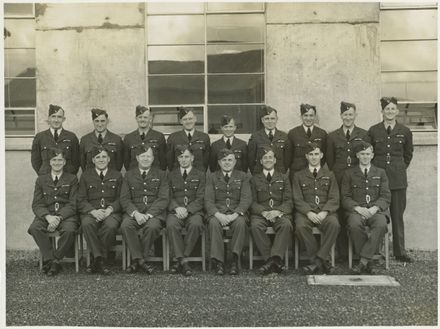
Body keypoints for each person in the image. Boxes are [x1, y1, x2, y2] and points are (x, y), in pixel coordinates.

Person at [368, 97, 414, 263]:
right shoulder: (373, 131)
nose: (390, 112)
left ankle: (399, 251)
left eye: (393, 109)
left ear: (397, 111)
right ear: (382, 111)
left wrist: (398, 168)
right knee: (378, 216)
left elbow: (408, 155)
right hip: (377, 180)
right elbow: (369, 154)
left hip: (397, 180)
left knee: (397, 215)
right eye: (387, 109)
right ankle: (376, 251)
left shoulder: (405, 131)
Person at [326, 101, 370, 260]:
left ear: (355, 115)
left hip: (357, 179)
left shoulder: (364, 134)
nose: (348, 117)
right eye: (345, 115)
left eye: (351, 114)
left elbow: (366, 157)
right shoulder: (332, 136)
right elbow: (330, 161)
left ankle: (359, 253)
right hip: (338, 178)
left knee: (354, 213)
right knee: (339, 214)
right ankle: (342, 252)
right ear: (341, 116)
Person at [341, 141, 391, 274]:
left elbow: (386, 196)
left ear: (372, 155)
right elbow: (345, 197)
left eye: (368, 154)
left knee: (381, 225)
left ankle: (363, 262)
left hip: (376, 211)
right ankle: (370, 262)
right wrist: (357, 208)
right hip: (357, 211)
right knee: (353, 224)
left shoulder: (381, 172)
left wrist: (375, 208)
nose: (365, 157)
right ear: (357, 155)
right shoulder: (349, 173)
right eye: (362, 154)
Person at [28, 148, 79, 276]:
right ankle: (52, 260)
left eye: (60, 160)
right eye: (54, 160)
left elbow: (73, 204)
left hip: (66, 216)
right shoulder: (41, 180)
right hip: (47, 214)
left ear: (65, 162)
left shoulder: (72, 179)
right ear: (49, 162)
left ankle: (54, 261)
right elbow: (37, 204)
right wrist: (48, 217)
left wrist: (59, 218)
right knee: (35, 228)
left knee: (69, 230)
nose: (57, 162)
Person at [120, 144, 169, 274]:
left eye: (148, 156)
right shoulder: (129, 175)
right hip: (135, 213)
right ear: (137, 158)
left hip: (153, 214)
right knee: (125, 225)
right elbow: (124, 199)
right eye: (143, 156)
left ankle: (137, 261)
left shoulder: (162, 174)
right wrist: (136, 214)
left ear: (153, 158)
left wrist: (148, 215)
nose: (145, 159)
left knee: (152, 227)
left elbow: (163, 198)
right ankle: (141, 260)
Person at [292, 142, 340, 274]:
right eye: (311, 154)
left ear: (322, 155)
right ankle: (322, 261)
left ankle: (316, 262)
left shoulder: (330, 174)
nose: (314, 157)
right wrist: (308, 212)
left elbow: (334, 197)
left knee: (334, 224)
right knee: (300, 226)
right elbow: (297, 198)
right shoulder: (298, 175)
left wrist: (325, 212)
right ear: (306, 156)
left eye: (316, 154)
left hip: (325, 212)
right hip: (306, 213)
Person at [205, 149, 251, 275]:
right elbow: (208, 200)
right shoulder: (212, 177)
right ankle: (219, 262)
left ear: (235, 162)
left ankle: (235, 260)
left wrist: (235, 214)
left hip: (236, 213)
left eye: (230, 160)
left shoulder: (243, 176)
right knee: (214, 223)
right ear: (219, 163)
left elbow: (246, 199)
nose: (227, 163)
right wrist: (218, 214)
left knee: (240, 223)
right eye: (224, 160)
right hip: (218, 213)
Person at [77, 146, 123, 274]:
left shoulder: (117, 175)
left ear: (108, 159)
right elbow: (81, 199)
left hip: (111, 213)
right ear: (93, 160)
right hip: (92, 212)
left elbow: (122, 198)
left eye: (104, 157)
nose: (101, 159)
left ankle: (96, 259)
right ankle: (100, 259)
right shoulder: (86, 176)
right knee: (87, 224)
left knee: (110, 226)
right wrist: (93, 211)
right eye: (98, 157)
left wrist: (110, 209)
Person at [250, 146, 293, 275]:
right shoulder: (254, 179)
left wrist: (277, 211)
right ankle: (273, 260)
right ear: (261, 161)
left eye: (270, 157)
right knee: (255, 226)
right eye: (265, 158)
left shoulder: (284, 177)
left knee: (286, 224)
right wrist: (264, 212)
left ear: (275, 160)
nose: (268, 160)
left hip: (278, 214)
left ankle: (272, 260)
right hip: (261, 215)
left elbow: (289, 201)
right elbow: (252, 202)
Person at [166, 146, 205, 276]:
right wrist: (177, 208)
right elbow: (167, 196)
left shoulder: (200, 174)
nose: (184, 159)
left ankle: (181, 259)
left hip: (193, 211)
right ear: (177, 159)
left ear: (192, 158)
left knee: (196, 224)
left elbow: (201, 198)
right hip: (175, 211)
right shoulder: (171, 175)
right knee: (171, 225)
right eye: (181, 157)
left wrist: (188, 210)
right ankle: (184, 261)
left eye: (186, 156)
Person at [31, 104, 80, 175]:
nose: (56, 120)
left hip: (67, 179)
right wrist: (43, 175)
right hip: (46, 179)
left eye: (59, 117)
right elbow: (35, 161)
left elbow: (76, 161)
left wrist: (70, 175)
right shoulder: (40, 137)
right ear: (49, 118)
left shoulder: (71, 137)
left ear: (63, 119)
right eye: (53, 116)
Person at [287, 103, 327, 181]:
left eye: (311, 115)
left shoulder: (322, 133)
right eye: (305, 115)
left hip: (315, 175)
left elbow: (324, 156)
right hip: (296, 174)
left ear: (315, 116)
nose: (308, 118)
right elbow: (288, 157)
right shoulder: (293, 133)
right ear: (301, 117)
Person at [248, 106, 291, 175]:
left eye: (272, 118)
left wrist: (282, 173)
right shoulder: (255, 137)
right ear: (262, 120)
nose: (270, 121)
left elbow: (287, 160)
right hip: (260, 176)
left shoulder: (284, 136)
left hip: (279, 175)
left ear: (277, 119)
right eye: (267, 119)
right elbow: (251, 160)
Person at [123, 105, 167, 171]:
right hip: (135, 177)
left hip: (154, 176)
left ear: (150, 119)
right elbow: (126, 162)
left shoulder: (159, 136)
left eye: (145, 117)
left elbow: (163, 161)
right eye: (140, 117)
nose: (142, 120)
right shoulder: (128, 138)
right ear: (136, 118)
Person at [167, 107, 210, 172]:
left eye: (190, 119)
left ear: (195, 119)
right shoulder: (173, 137)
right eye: (185, 119)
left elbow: (206, 161)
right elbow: (170, 161)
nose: (188, 122)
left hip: (199, 177)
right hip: (178, 177)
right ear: (181, 121)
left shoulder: (204, 137)